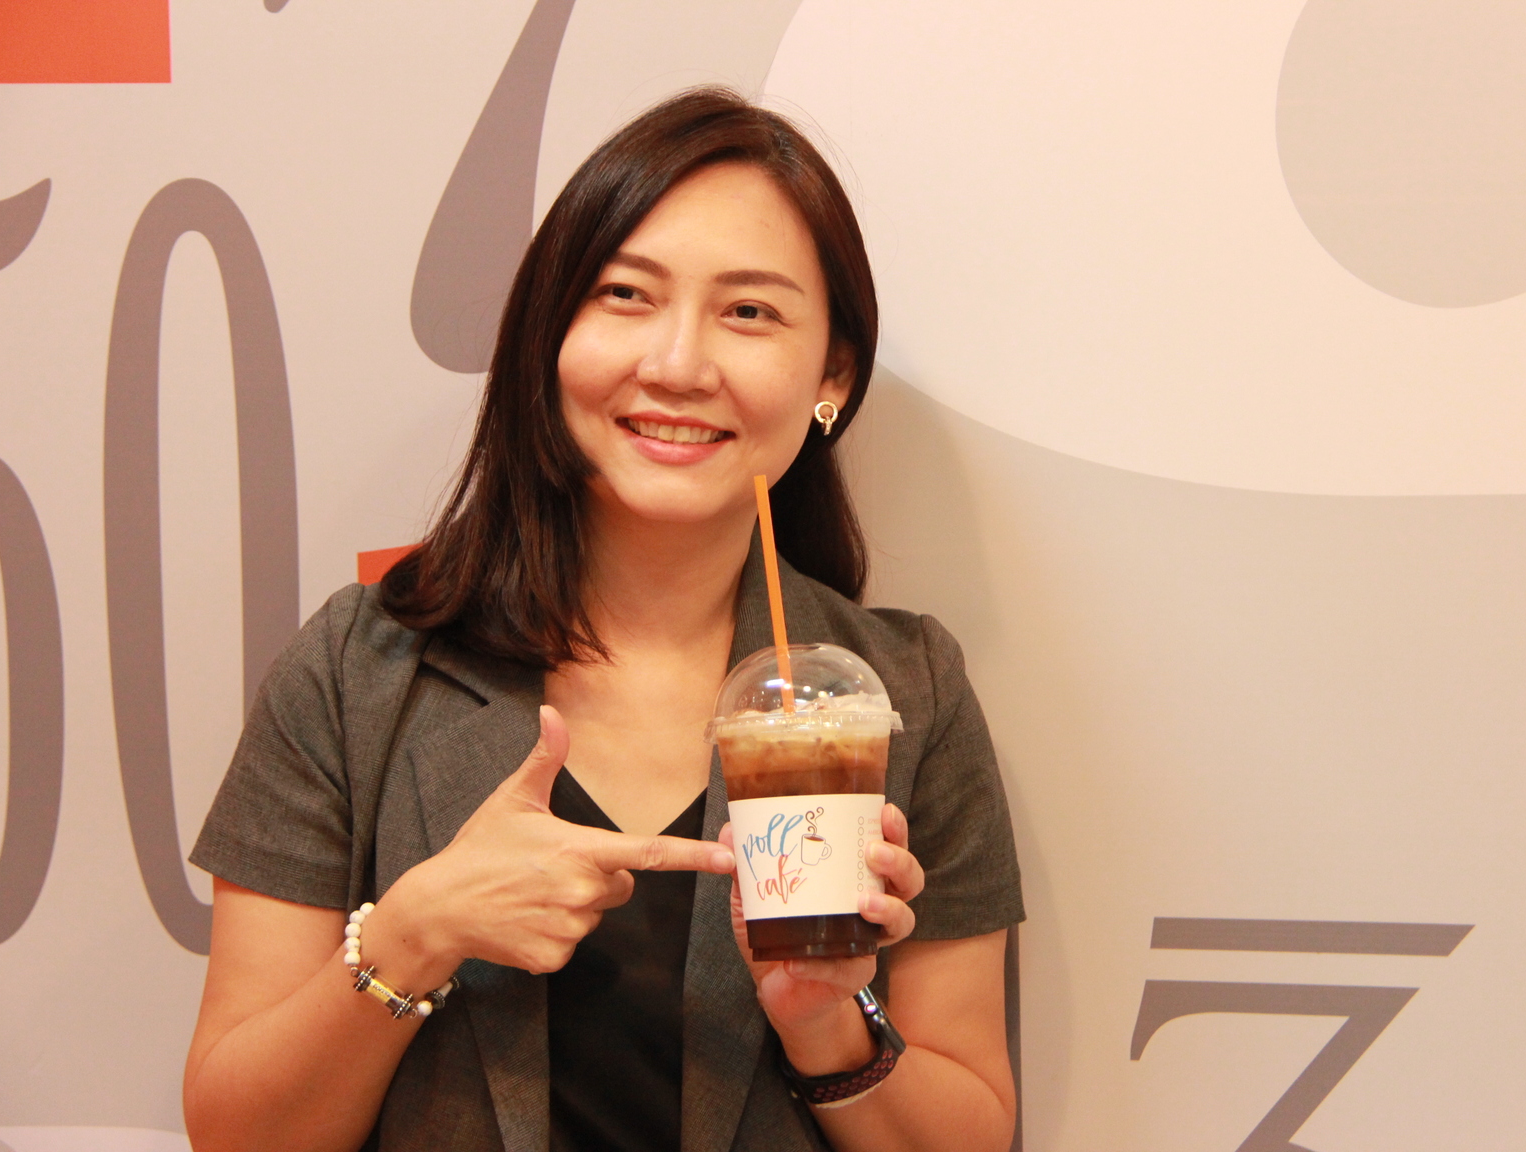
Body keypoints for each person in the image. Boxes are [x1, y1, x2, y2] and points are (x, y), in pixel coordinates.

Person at [182, 87, 1024, 1152]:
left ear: (832, 374)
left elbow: (973, 1132)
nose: (676, 365)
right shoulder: (361, 670)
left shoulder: (903, 693)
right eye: (626, 294)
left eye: (749, 312)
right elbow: (236, 1133)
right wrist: (415, 932)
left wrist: (826, 1023)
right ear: (551, 332)